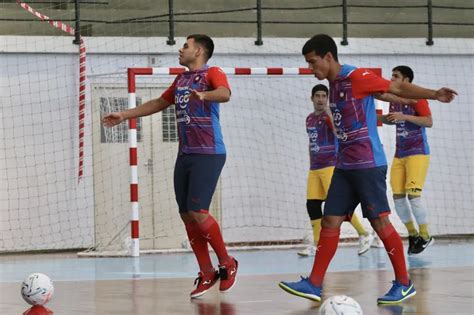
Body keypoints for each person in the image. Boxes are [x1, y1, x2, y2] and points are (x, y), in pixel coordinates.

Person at [279, 34, 456, 304]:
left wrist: (433, 94)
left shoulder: (357, 76)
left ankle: (405, 283)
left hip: (368, 164)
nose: (310, 69)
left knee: (380, 221)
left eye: (313, 62)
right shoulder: (334, 83)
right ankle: (314, 284)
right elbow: (383, 93)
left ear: (328, 57)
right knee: (330, 219)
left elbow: (394, 89)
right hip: (344, 165)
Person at [102, 34, 238, 299]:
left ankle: (227, 263)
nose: (180, 49)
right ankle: (206, 271)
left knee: (199, 212)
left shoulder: (213, 72)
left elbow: (225, 93)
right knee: (187, 215)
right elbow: (158, 103)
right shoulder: (180, 79)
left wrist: (205, 94)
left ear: (198, 51)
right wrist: (124, 115)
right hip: (185, 154)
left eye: (185, 45)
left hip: (208, 153)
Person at [298, 84, 375, 257]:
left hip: (330, 165)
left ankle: (364, 233)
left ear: (327, 99)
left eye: (323, 96)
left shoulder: (330, 116)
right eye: (317, 96)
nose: (320, 99)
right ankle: (317, 245)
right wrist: (311, 164)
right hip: (315, 168)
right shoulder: (309, 119)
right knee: (313, 205)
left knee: (338, 206)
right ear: (312, 98)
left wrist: (329, 113)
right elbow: (312, 144)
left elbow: (338, 131)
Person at [379, 66, 434, 255]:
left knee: (413, 196)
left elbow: (428, 121)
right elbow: (393, 119)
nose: (391, 78)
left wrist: (405, 116)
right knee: (398, 198)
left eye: (396, 76)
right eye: (391, 75)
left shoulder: (417, 97)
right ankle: (413, 234)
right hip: (400, 154)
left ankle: (426, 235)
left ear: (407, 80)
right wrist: (381, 118)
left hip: (417, 152)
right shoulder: (394, 99)